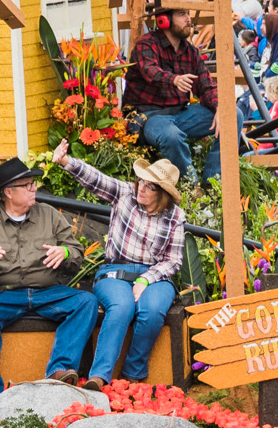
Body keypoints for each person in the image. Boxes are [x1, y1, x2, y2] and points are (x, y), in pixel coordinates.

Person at [0, 158, 96, 404]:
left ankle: (59, 370)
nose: (34, 189)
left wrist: (64, 253)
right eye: (28, 185)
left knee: (85, 301)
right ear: (8, 192)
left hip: (47, 292)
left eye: (33, 183)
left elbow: (76, 254)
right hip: (1, 295)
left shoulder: (50, 215)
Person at [48, 141, 185, 386]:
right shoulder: (125, 195)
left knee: (152, 312)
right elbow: (96, 179)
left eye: (149, 186)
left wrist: (146, 279)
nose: (141, 188)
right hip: (115, 270)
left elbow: (173, 260)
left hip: (155, 275)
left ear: (162, 194)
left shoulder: (175, 216)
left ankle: (133, 375)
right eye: (140, 180)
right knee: (121, 308)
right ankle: (99, 377)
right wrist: (66, 162)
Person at [127, 10, 220, 181]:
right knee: (171, 136)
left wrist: (219, 107)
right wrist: (174, 79)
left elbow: (206, 86)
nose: (188, 19)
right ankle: (191, 187)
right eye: (182, 14)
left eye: (188, 14)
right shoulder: (146, 44)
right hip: (150, 116)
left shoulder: (191, 52)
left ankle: (213, 182)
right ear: (164, 20)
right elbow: (150, 71)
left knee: (232, 115)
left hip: (182, 114)